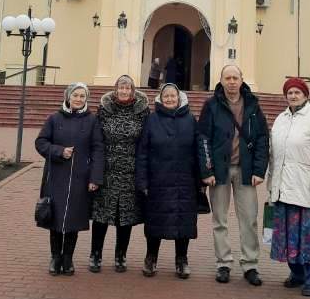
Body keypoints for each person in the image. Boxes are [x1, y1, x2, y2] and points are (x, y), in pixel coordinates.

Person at [198, 64, 269, 286]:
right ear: (221, 80)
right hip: (218, 172)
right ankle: (224, 263)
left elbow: (262, 139)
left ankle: (250, 264)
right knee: (220, 220)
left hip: (246, 171)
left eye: (235, 77)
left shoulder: (253, 105)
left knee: (248, 219)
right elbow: (203, 139)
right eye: (227, 78)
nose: (231, 82)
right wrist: (206, 170)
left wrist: (259, 170)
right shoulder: (211, 105)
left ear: (241, 80)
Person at [267, 77, 310, 297]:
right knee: (288, 233)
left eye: (297, 92)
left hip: (306, 187)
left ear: (305, 95)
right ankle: (297, 273)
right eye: (289, 92)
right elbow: (273, 156)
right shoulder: (281, 119)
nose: (293, 96)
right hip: (283, 186)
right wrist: (271, 184)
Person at [35, 82, 104, 276]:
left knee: (73, 218)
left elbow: (98, 149)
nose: (79, 99)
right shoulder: (54, 118)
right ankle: (55, 257)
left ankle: (68, 258)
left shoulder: (92, 121)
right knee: (55, 218)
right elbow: (41, 142)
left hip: (80, 178)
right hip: (56, 176)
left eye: (83, 96)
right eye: (76, 95)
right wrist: (58, 151)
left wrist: (95, 178)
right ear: (68, 96)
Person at [135, 83, 200, 279]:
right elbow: (143, 152)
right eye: (166, 97)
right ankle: (151, 258)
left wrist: (200, 180)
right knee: (155, 221)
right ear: (160, 99)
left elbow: (198, 152)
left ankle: (181, 260)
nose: (170, 99)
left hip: (185, 180)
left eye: (173, 96)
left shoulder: (190, 120)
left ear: (179, 98)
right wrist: (142, 180)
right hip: (158, 180)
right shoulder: (152, 120)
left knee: (184, 222)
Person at [89, 75, 149, 273]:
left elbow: (146, 141)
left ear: (133, 91)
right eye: (121, 88)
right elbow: (96, 139)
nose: (124, 91)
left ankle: (120, 255)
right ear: (115, 90)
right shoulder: (104, 110)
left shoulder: (142, 111)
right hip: (107, 170)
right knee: (101, 215)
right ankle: (95, 254)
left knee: (126, 217)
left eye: (127, 88)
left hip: (130, 171)